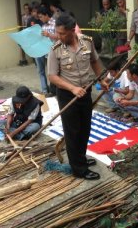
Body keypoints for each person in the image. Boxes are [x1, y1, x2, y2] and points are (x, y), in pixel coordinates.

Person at [48, 13, 107, 180]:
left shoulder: (87, 42)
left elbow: (95, 62)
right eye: (57, 33)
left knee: (84, 128)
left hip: (85, 91)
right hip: (68, 94)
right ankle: (78, 169)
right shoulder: (55, 49)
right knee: (72, 131)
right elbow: (52, 76)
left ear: (72, 30)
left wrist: (102, 78)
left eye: (62, 33)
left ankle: (80, 158)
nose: (58, 36)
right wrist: (72, 88)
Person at [37, 6, 57, 97]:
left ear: (46, 15)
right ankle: (45, 90)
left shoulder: (55, 23)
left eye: (41, 17)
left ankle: (54, 91)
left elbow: (59, 36)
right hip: (43, 51)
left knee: (52, 72)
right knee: (41, 71)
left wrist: (48, 34)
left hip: (53, 52)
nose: (40, 19)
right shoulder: (43, 25)